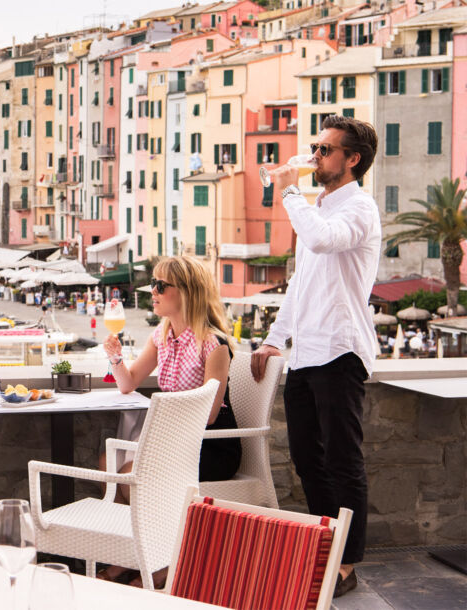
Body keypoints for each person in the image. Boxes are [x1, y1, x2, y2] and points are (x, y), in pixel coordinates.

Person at [251, 115, 380, 598]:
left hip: (339, 351)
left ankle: (347, 564)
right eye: (316, 147)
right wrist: (272, 340)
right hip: (306, 353)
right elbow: (301, 287)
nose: (316, 156)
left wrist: (287, 191)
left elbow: (323, 239)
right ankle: (327, 546)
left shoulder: (359, 209)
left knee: (344, 460)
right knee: (308, 460)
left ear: (353, 159)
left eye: (326, 150)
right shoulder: (319, 207)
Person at [98, 255, 240, 587]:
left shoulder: (214, 343)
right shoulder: (162, 336)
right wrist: (116, 357)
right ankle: (136, 557)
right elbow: (128, 382)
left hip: (211, 447)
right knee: (109, 463)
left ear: (187, 292)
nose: (154, 291)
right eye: (154, 284)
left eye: (162, 285)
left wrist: (159, 435)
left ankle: (163, 562)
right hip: (176, 445)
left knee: (129, 474)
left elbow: (210, 412)